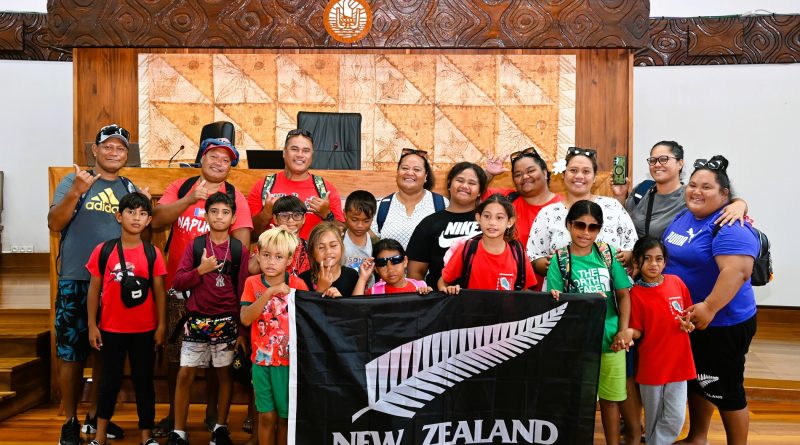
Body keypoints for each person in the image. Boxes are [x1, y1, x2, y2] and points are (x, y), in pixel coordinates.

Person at [151, 138, 252, 436]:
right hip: (180, 288)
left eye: (226, 159)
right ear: (202, 158)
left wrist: (221, 276)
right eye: (213, 156)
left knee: (217, 360)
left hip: (217, 294)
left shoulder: (234, 196)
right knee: (175, 358)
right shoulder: (180, 187)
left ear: (230, 167)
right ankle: (174, 415)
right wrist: (189, 200)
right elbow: (156, 221)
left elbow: (243, 242)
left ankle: (212, 416)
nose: (219, 162)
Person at [48, 124, 139, 444]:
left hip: (114, 284)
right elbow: (55, 223)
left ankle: (96, 417)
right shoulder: (73, 182)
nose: (114, 152)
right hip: (76, 279)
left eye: (121, 149)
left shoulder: (130, 187)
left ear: (127, 155)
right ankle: (70, 419)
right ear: (95, 151)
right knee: (71, 352)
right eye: (108, 147)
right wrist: (76, 190)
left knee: (108, 354)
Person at [663, 156, 759, 445]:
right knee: (698, 381)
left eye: (706, 187)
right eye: (692, 184)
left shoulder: (730, 225)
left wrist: (709, 307)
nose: (696, 191)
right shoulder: (687, 215)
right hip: (692, 320)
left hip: (723, 323)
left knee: (726, 389)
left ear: (724, 195)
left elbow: (738, 271)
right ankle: (698, 437)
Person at [545, 200, 633, 445]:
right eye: (580, 225)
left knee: (611, 399)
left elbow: (624, 294)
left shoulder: (606, 254)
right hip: (577, 341)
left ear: (599, 229)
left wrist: (624, 330)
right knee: (579, 399)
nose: (585, 232)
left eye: (592, 227)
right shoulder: (560, 260)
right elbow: (556, 301)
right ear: (569, 225)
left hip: (610, 337)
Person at [167, 192, 250, 445]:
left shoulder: (238, 250)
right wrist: (200, 271)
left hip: (227, 323)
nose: (219, 216)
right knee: (185, 374)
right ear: (206, 215)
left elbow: (243, 289)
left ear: (234, 217)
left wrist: (242, 332)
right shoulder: (196, 245)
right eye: (214, 211)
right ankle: (179, 431)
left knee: (225, 375)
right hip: (197, 320)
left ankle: (220, 428)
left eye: (225, 212)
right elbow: (178, 281)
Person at [85, 192, 166, 445]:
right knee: (108, 383)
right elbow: (94, 289)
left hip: (144, 329)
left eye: (142, 213)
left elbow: (160, 292)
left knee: (144, 383)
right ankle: (99, 436)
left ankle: (146, 436)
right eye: (131, 212)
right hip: (110, 328)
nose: (136, 218)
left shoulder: (153, 253)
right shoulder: (103, 250)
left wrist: (162, 325)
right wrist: (91, 324)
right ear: (119, 216)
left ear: (149, 220)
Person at [240, 227, 309, 445]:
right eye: (266, 255)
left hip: (289, 363)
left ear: (289, 260)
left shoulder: (297, 285)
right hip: (261, 362)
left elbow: (309, 320)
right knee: (266, 416)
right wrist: (269, 293)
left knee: (285, 417)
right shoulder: (252, 283)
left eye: (278, 257)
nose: (271, 261)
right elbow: (245, 318)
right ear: (258, 255)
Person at [623, 236, 695, 445]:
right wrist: (628, 333)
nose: (654, 264)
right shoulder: (635, 293)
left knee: (675, 418)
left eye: (659, 259)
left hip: (679, 362)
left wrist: (688, 323)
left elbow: (688, 314)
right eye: (647, 259)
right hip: (652, 365)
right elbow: (636, 329)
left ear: (665, 261)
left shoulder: (677, 283)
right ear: (636, 262)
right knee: (654, 418)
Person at [528, 146, 637, 279]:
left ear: (595, 177)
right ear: (563, 174)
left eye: (586, 171)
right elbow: (534, 255)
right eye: (573, 170)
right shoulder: (548, 213)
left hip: (610, 292)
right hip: (562, 294)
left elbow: (632, 245)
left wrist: (626, 257)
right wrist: (548, 264)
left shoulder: (613, 206)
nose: (579, 176)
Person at [612, 140, 747, 239]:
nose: (657, 164)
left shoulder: (690, 195)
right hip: (636, 270)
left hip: (668, 271)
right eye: (652, 160)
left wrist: (740, 204)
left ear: (680, 163)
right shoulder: (642, 189)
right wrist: (620, 195)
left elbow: (720, 199)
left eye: (664, 159)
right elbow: (622, 226)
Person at [248, 129, 345, 242]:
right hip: (275, 258)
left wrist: (327, 214)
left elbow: (342, 235)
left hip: (312, 258)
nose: (300, 155)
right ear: (284, 152)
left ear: (311, 155)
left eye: (306, 150)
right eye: (294, 149)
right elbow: (251, 237)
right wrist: (266, 213)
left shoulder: (325, 189)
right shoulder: (264, 187)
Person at [406, 162, 487, 288]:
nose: (465, 186)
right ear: (449, 184)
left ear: (479, 192)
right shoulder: (429, 223)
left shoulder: (489, 222)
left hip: (480, 298)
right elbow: (415, 272)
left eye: (472, 183)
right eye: (460, 180)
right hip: (440, 301)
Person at [439, 194, 537, 293]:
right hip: (470, 308)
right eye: (487, 216)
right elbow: (443, 282)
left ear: (510, 222)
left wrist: (550, 297)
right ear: (478, 218)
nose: (492, 222)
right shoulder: (467, 249)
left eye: (499, 217)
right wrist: (447, 289)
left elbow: (526, 291)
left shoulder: (517, 252)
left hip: (507, 309)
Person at [370, 148, 448, 249]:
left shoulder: (441, 204)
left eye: (417, 169)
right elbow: (374, 244)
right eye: (405, 168)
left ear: (425, 176)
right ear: (397, 172)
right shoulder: (381, 207)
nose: (410, 173)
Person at [299, 222, 359, 298]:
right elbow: (305, 309)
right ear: (312, 252)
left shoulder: (352, 275)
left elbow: (356, 308)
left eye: (333, 245)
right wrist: (320, 290)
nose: (328, 251)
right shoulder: (303, 280)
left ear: (341, 247)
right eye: (321, 247)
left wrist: (341, 302)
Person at [353, 239, 432, 295]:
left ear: (405, 261)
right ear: (376, 268)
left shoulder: (420, 287)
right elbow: (356, 310)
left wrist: (429, 294)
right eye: (382, 263)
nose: (390, 269)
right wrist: (363, 278)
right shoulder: (374, 292)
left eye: (395, 260)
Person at [343, 190, 378, 288]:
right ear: (345, 215)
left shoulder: (375, 243)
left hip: (368, 296)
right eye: (354, 220)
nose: (360, 225)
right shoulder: (338, 240)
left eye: (366, 221)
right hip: (343, 294)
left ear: (372, 218)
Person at [270, 195, 311, 277]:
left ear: (303, 219)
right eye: (284, 216)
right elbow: (251, 268)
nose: (291, 220)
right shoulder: (267, 242)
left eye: (296, 215)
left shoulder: (310, 248)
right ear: (275, 219)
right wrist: (274, 239)